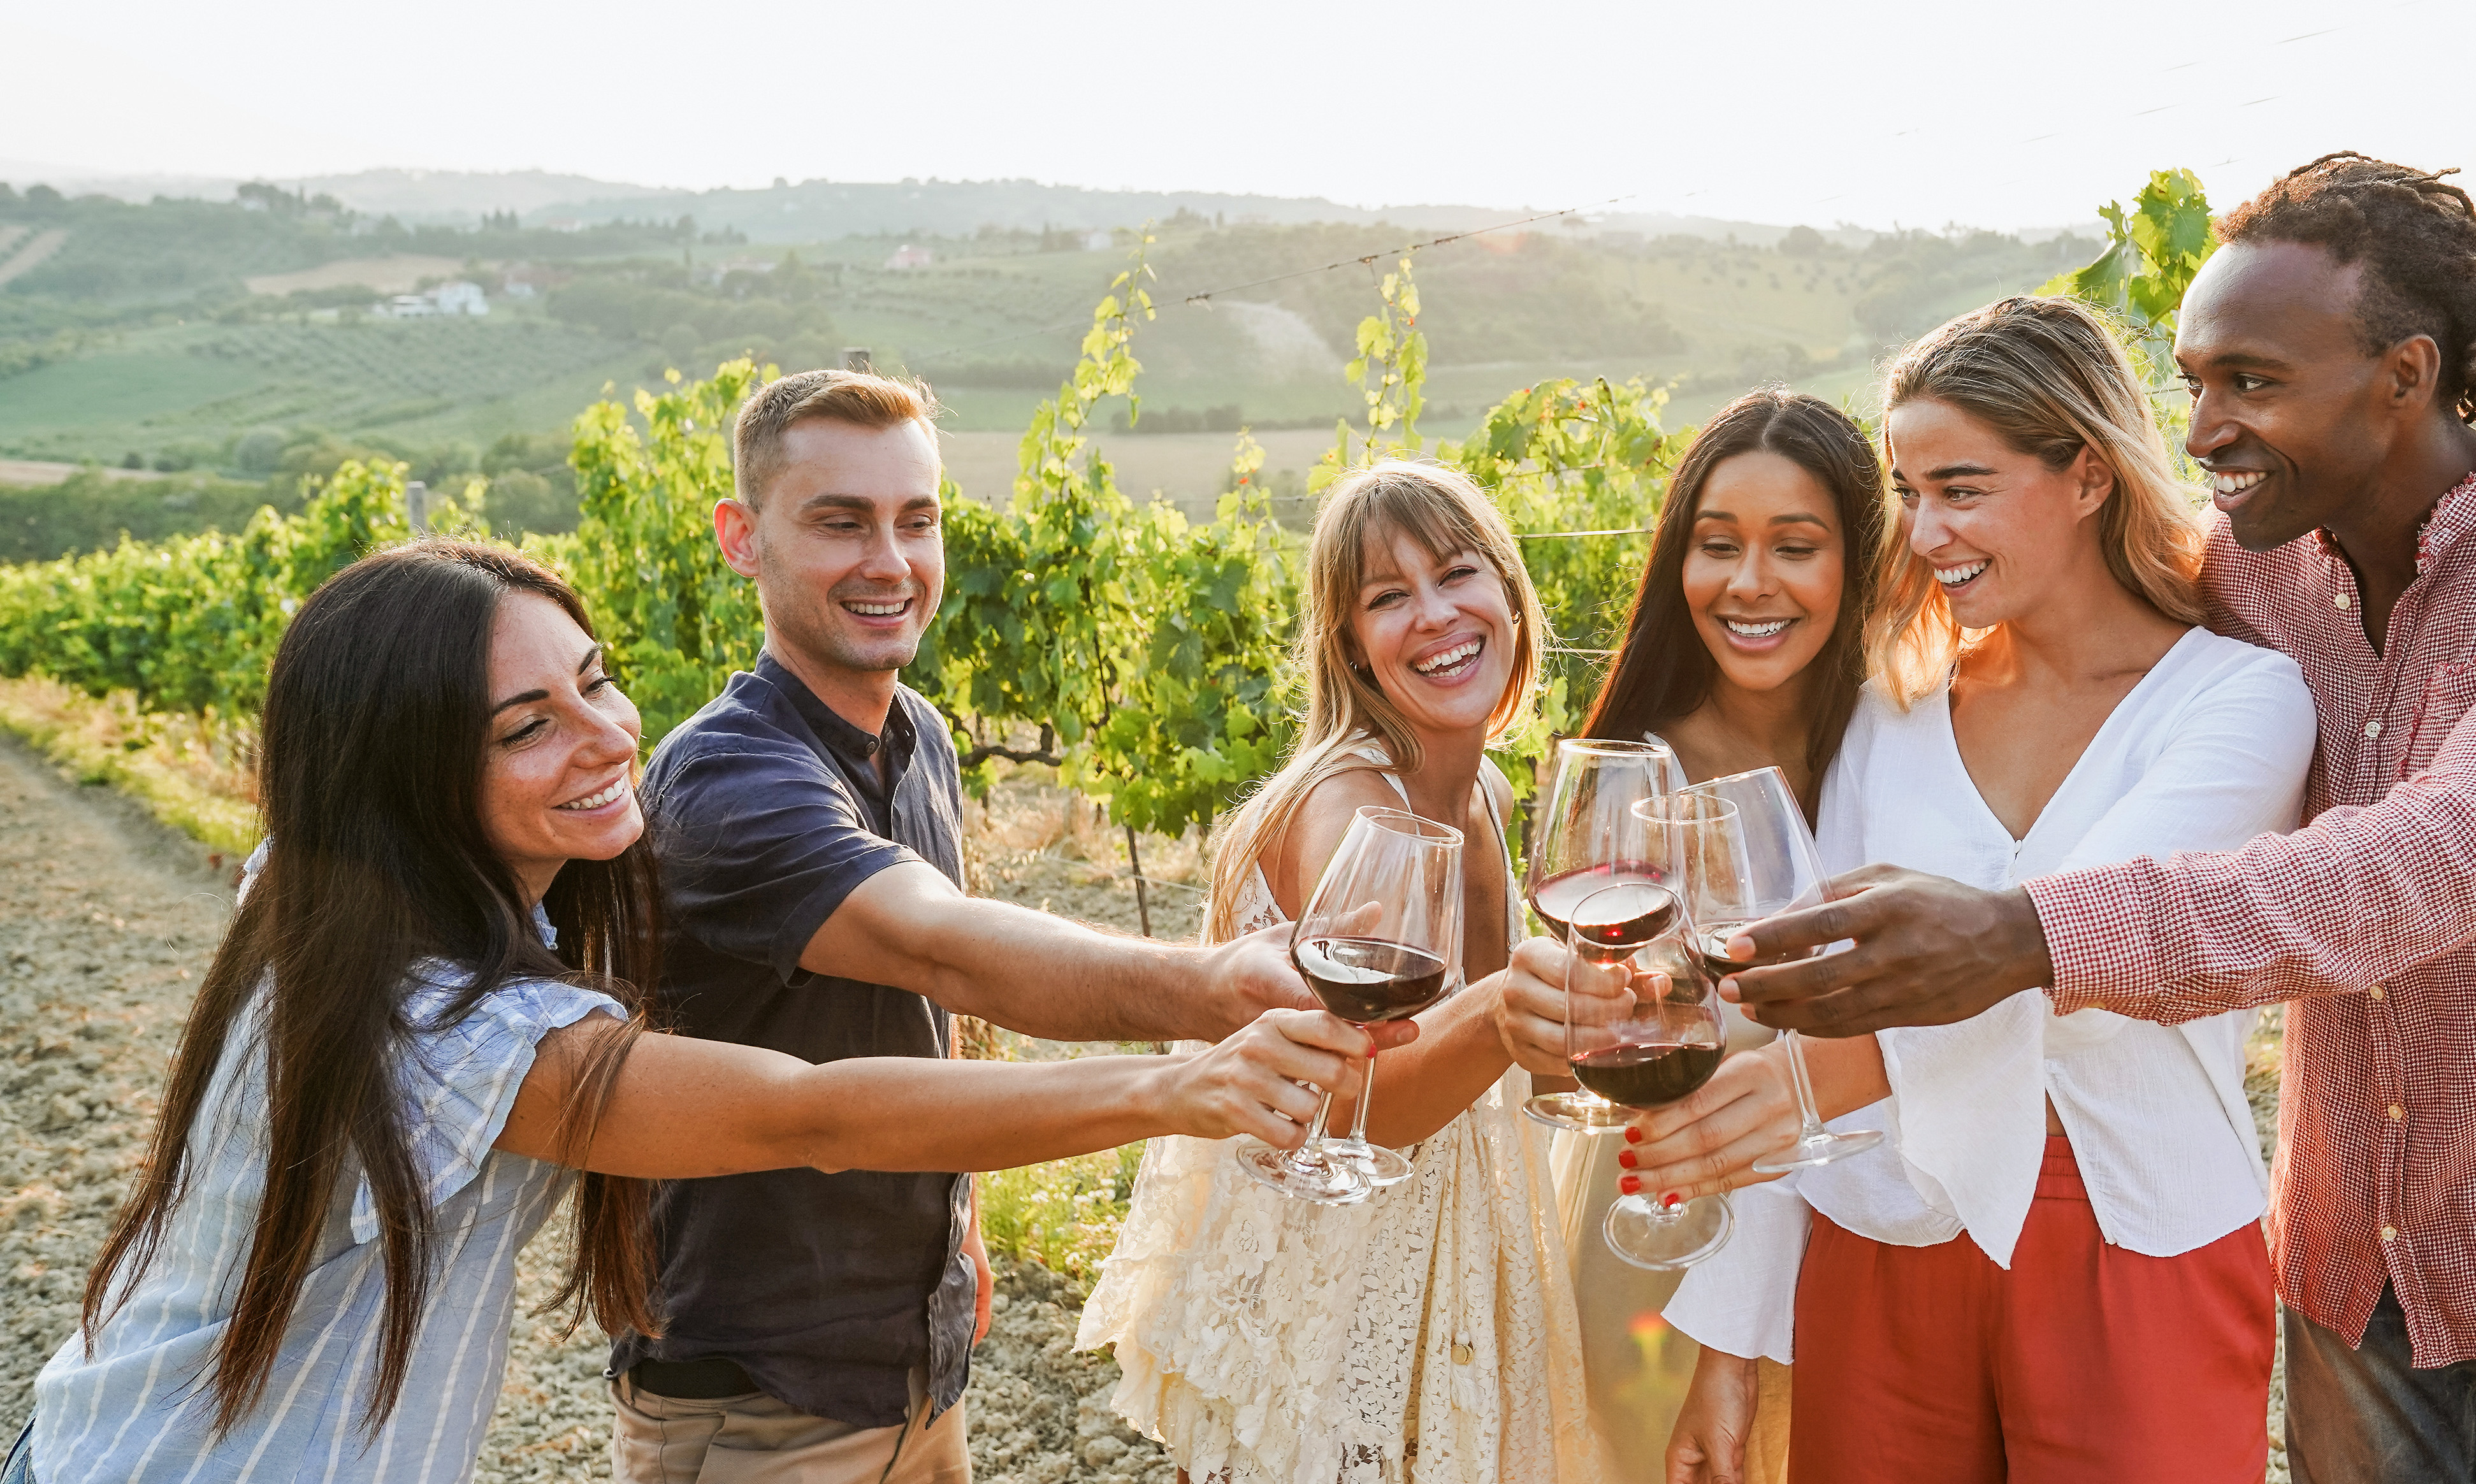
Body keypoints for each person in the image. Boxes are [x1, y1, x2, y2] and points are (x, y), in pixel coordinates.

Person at [1654, 154, 2476, 1482]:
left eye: (2250, 383)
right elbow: (2070, 584)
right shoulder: (2251, 567)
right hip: (2355, 1238)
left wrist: (2020, 933)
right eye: (2195, 379)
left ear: (2404, 376)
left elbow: (2447, 852)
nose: (2199, 430)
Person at [7, 540, 1381, 1484]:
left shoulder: (347, 898)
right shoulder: (441, 1026)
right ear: (406, 778)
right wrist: (1175, 1082)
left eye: (595, 678)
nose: (609, 736)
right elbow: (813, 1109)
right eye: (523, 726)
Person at [1626, 297, 2313, 1483]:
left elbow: (2073, 946)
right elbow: (1805, 1004)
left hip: (2132, 1239)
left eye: (1961, 486)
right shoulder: (1889, 707)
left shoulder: (2239, 702)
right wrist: (1728, 1347)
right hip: (1881, 1225)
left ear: (2087, 475)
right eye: (1905, 491)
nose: (1924, 528)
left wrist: (1824, 1075)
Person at [609, 370, 1326, 1483]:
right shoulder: (726, 778)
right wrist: (1218, 985)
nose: (889, 561)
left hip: (915, 1358)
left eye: (917, 520)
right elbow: (937, 946)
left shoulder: (920, 735)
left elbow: (918, 1020)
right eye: (840, 522)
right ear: (742, 540)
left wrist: (960, 1234)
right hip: (762, 1391)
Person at [1077, 461, 1607, 1484]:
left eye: (1456, 574)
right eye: (1387, 597)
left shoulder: (1489, 790)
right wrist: (1511, 1005)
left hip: (1437, 1267)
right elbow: (1369, 1104)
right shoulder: (1346, 811)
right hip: (1320, 1293)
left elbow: (1533, 1082)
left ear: (1507, 592)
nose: (1435, 615)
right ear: (1351, 647)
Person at [1540, 386, 1893, 1479]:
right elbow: (1593, 1030)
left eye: (1795, 545)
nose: (1749, 582)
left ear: (1859, 561)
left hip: (1864, 1220)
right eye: (1716, 544)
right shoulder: (1634, 778)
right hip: (1668, 1215)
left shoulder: (1902, 748)